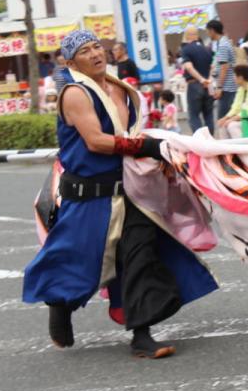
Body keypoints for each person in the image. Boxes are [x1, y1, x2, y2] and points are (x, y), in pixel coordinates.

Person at [23, 30, 218, 358]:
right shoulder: (74, 93)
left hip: (129, 191)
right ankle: (60, 303)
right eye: (85, 51)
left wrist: (156, 152)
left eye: (97, 46)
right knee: (77, 263)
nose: (96, 53)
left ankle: (141, 335)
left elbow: (130, 133)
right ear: (71, 63)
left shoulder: (119, 87)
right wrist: (144, 146)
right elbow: (95, 141)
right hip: (88, 196)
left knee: (141, 257)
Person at [179, 25, 214, 133]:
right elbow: (213, 66)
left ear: (187, 35)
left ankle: (200, 142)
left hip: (194, 85)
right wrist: (208, 79)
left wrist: (201, 79)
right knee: (208, 115)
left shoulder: (186, 49)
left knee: (194, 116)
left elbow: (189, 67)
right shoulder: (207, 49)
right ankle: (211, 140)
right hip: (208, 86)